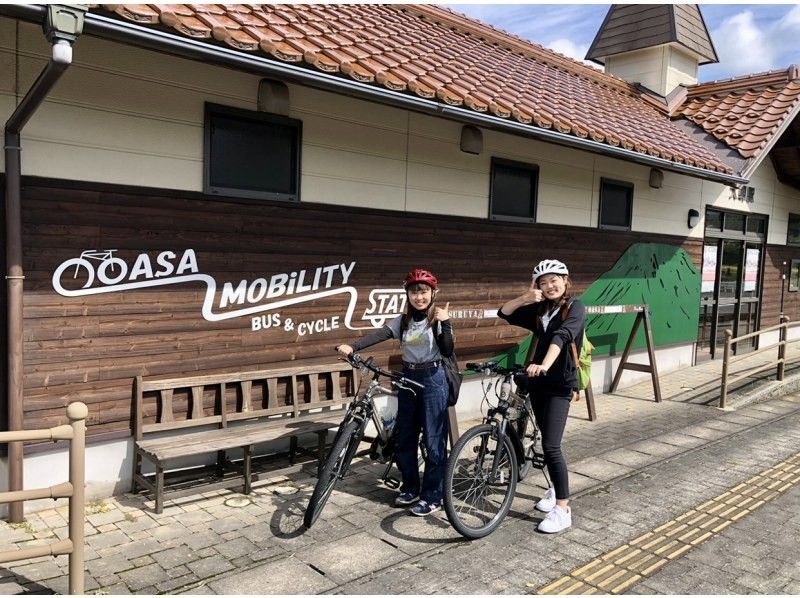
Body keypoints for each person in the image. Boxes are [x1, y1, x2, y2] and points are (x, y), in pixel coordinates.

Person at [336, 268, 453, 516]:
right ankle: (410, 487)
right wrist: (352, 346)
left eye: (423, 292)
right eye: (414, 292)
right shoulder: (403, 321)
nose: (419, 297)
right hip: (409, 377)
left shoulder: (437, 318)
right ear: (407, 294)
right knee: (405, 438)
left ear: (433, 293)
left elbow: (447, 349)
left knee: (434, 441)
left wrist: (446, 323)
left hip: (434, 379)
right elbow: (381, 333)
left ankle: (433, 496)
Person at [497, 259, 585, 533]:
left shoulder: (575, 307)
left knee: (551, 445)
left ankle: (563, 508)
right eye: (543, 282)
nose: (549, 286)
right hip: (538, 384)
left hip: (559, 385)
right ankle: (553, 489)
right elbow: (505, 313)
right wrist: (525, 297)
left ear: (565, 280)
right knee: (546, 438)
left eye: (554, 280)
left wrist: (544, 365)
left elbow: (562, 336)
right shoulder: (540, 311)